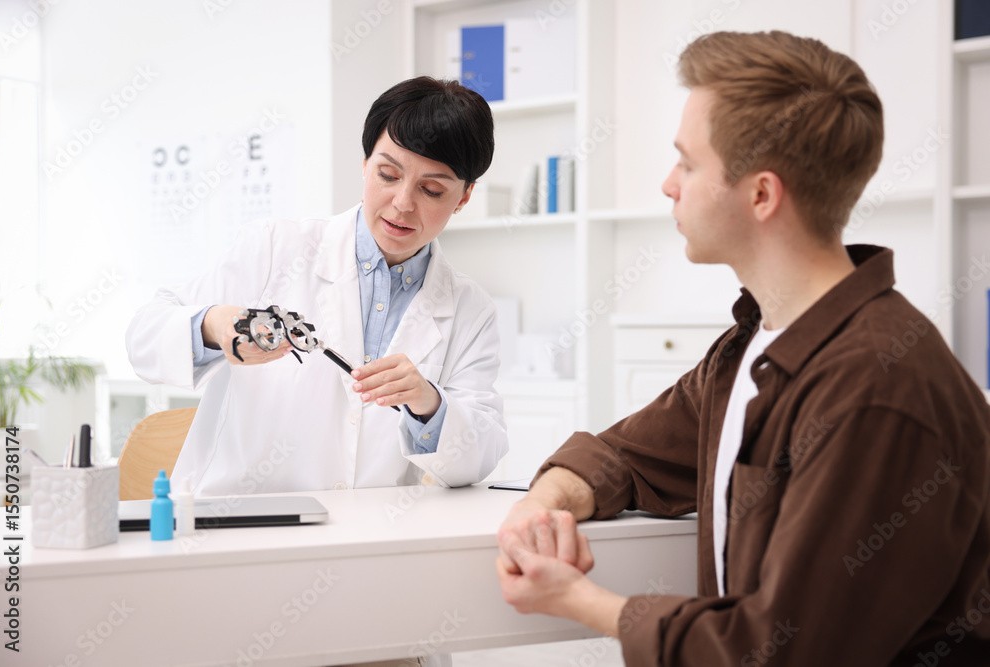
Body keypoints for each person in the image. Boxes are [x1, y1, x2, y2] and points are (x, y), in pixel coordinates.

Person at [495, 30, 990, 666]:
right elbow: (629, 455)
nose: (668, 184)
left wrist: (581, 601)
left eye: (687, 162)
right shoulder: (754, 345)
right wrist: (542, 506)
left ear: (761, 194)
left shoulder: (876, 387)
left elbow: (782, 651)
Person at [126, 76, 507, 499]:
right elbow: (144, 337)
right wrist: (213, 326)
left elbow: (478, 457)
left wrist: (428, 403)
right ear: (365, 164)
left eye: (431, 189)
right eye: (387, 174)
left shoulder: (470, 309)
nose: (402, 202)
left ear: (465, 196)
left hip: (371, 536)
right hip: (239, 526)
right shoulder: (275, 248)